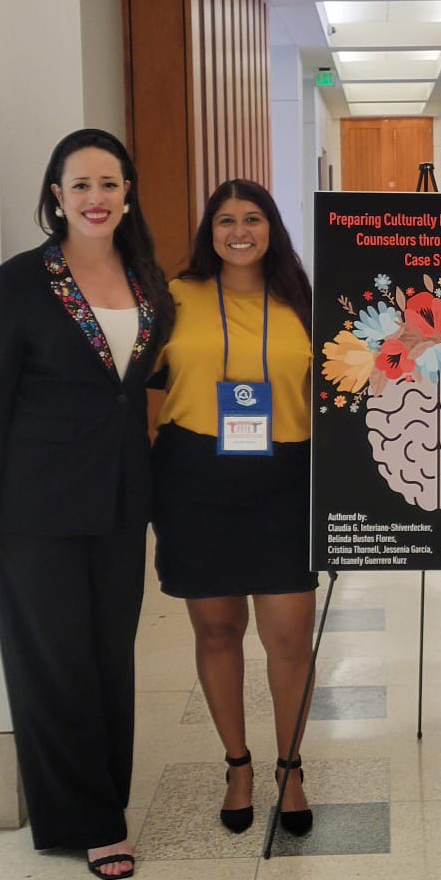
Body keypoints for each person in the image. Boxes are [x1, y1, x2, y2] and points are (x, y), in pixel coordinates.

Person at [0, 128, 174, 880]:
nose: (95, 198)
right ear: (56, 193)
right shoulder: (19, 281)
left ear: (127, 193)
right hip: (33, 503)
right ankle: (92, 822)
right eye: (79, 184)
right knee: (55, 662)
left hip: (120, 496)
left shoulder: (149, 280)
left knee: (110, 657)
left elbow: (150, 379)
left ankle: (101, 799)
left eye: (109, 184)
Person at [151, 179, 317, 836]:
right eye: (226, 220)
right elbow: (132, 376)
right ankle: (238, 764)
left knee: (288, 640)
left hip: (286, 479)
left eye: (253, 218)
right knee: (217, 632)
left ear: (272, 227)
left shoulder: (303, 301)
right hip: (195, 478)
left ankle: (292, 768)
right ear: (209, 231)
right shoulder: (174, 296)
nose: (239, 231)